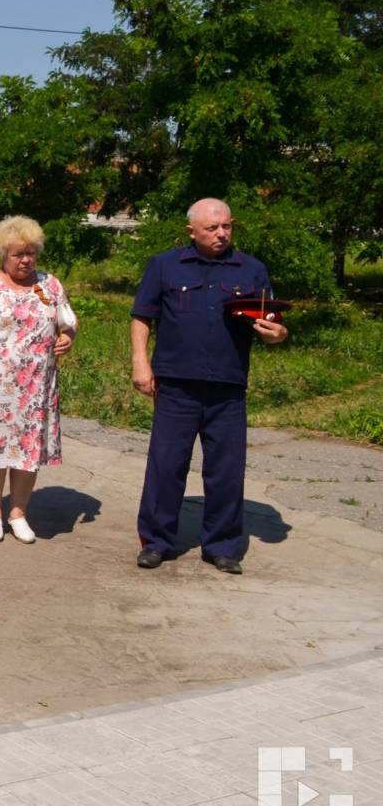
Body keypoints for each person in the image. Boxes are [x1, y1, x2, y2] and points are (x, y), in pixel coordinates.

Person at [131, 198, 287, 574]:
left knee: (226, 470)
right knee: (166, 466)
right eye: (212, 228)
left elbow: (273, 323)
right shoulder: (165, 265)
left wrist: (277, 333)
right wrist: (140, 362)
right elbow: (142, 316)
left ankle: (221, 546)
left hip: (227, 386)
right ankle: (157, 541)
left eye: (227, 227)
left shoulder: (251, 269)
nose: (221, 234)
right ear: (192, 231)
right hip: (176, 385)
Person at [0, 216, 77, 545]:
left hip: (36, 386)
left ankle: (19, 513)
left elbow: (67, 322)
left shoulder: (49, 286)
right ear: (3, 255)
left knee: (28, 451)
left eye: (31, 253)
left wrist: (67, 337)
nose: (25, 260)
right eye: (17, 254)